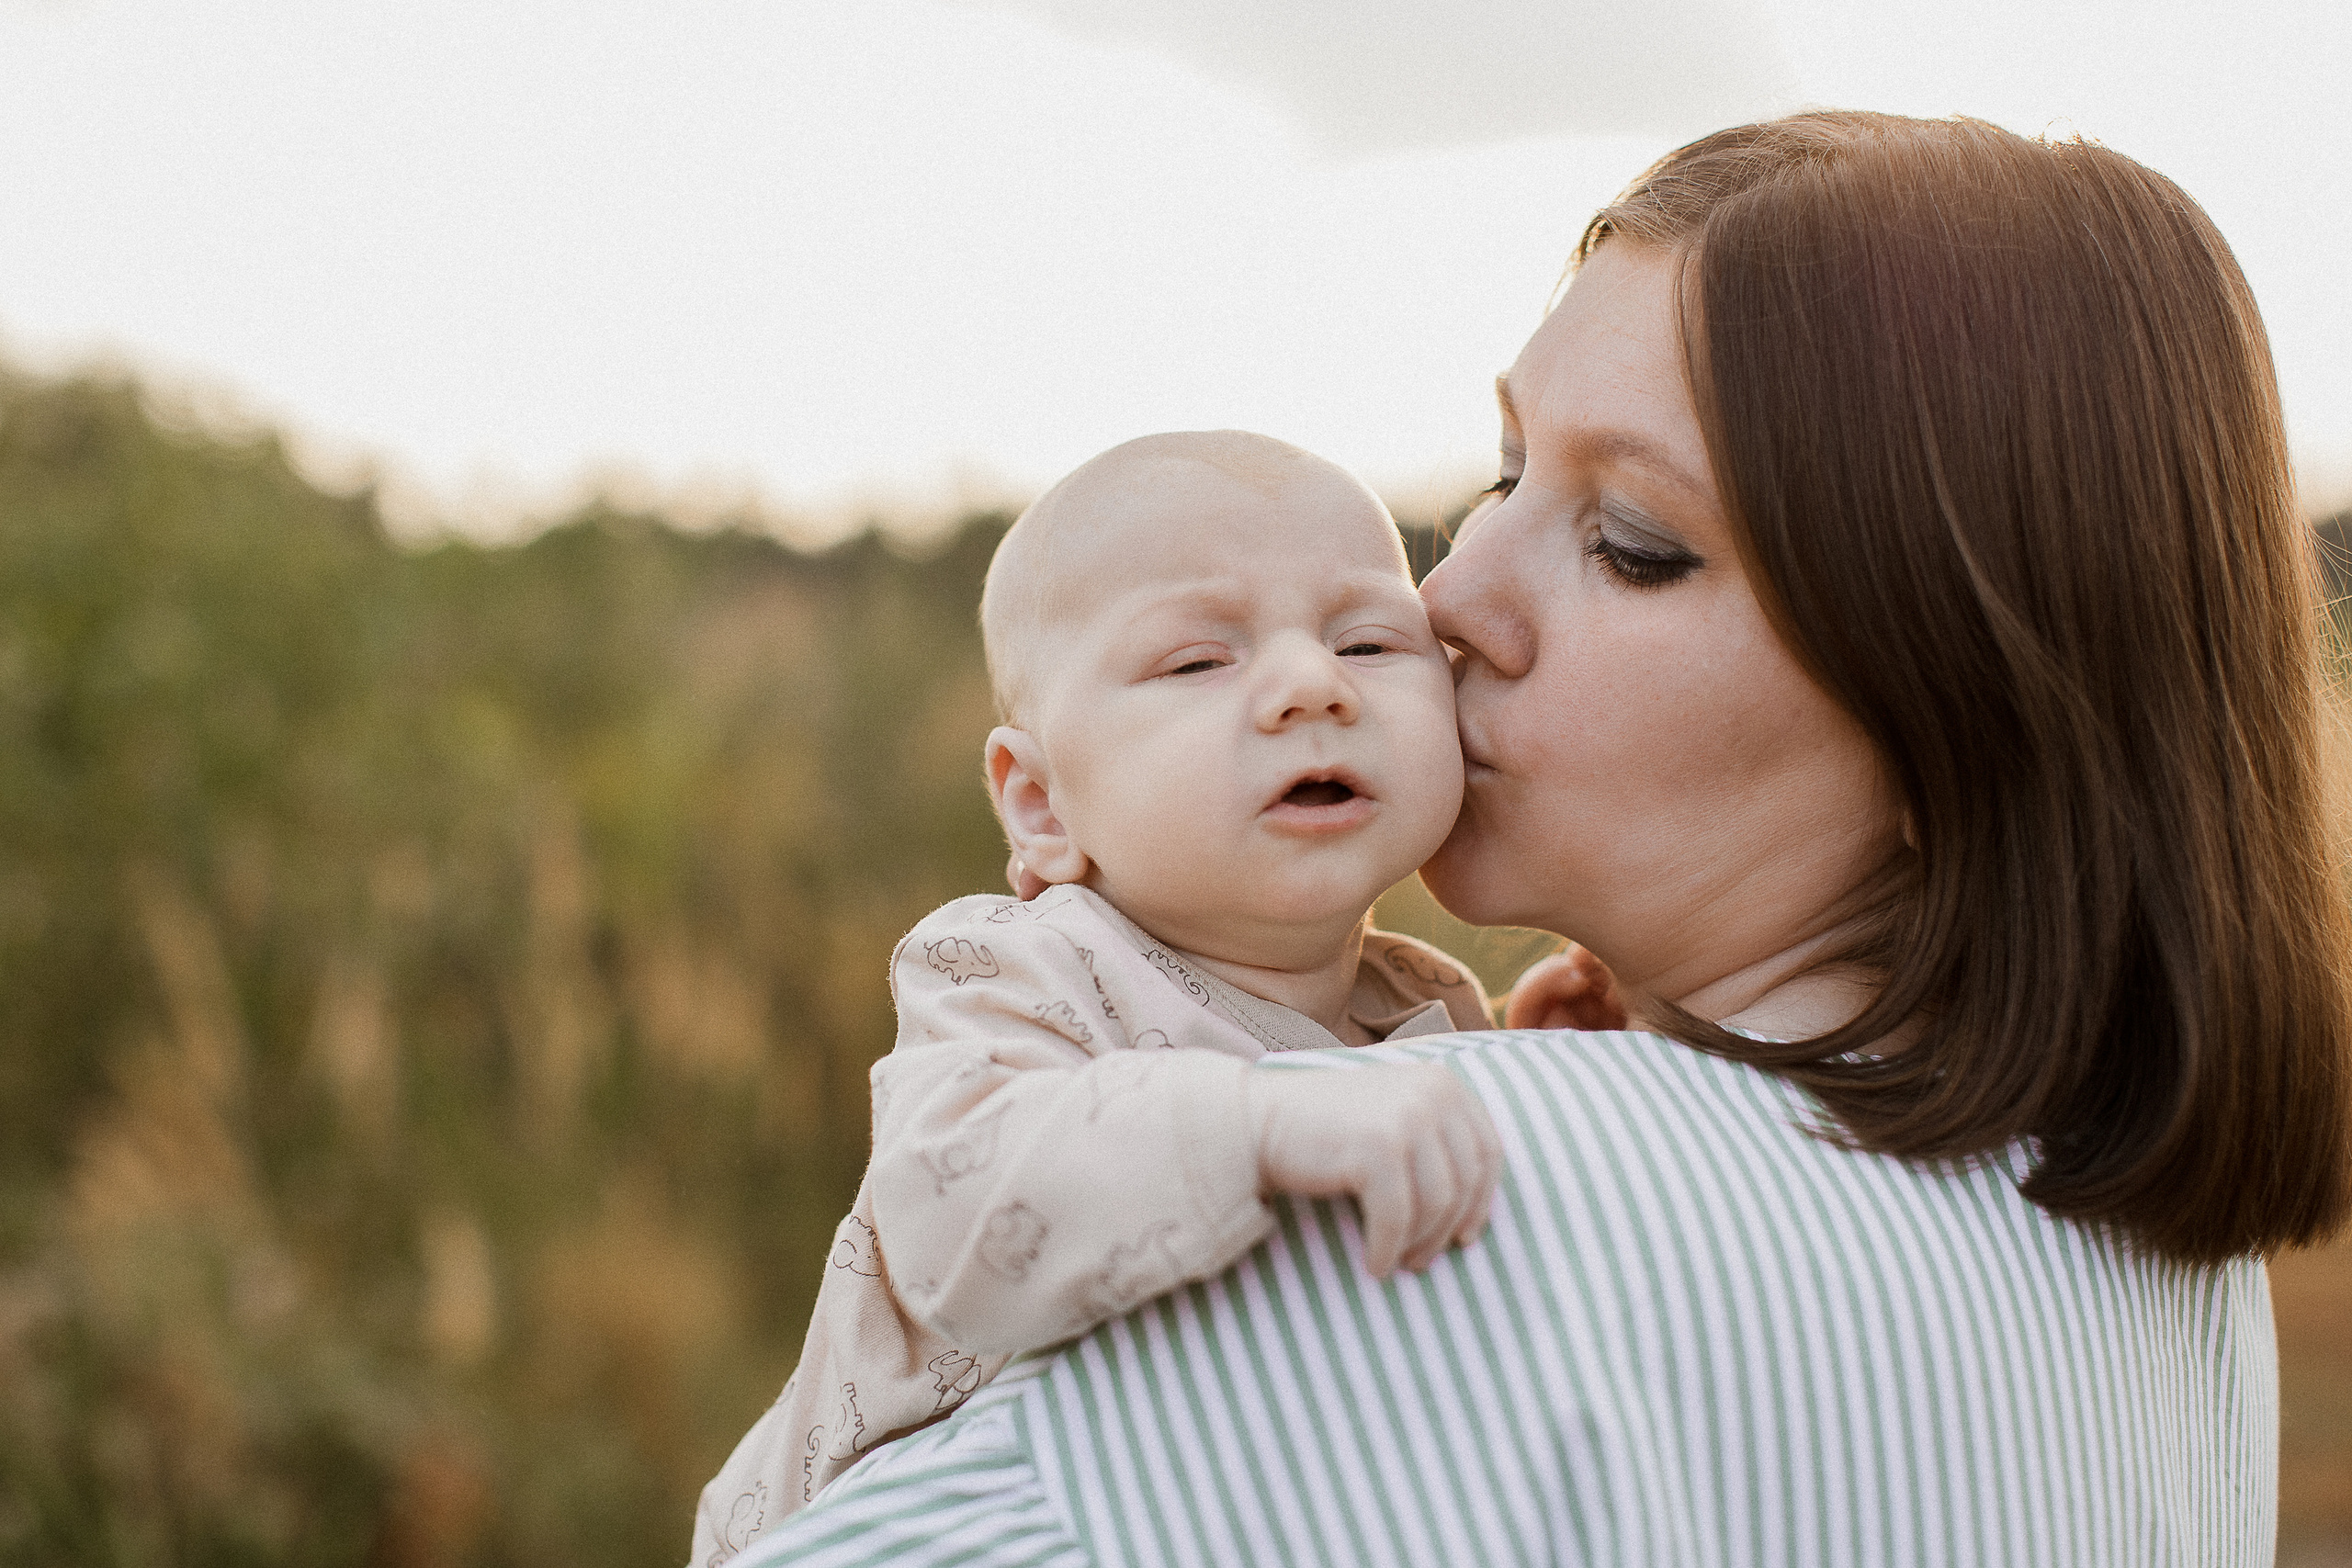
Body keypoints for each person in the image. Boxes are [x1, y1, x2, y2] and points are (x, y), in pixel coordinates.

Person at [724, 110, 2352, 1567]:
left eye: (1633, 545)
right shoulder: (2160, 1264)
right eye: (1505, 474)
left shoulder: (1438, 1195)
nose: (1446, 602)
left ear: (1968, 711)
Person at [694, 431, 1580, 1564]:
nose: (1311, 685)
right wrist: (1252, 1124)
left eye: (1368, 641)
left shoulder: (1420, 997)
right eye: (1197, 664)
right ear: (1042, 805)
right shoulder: (1017, 966)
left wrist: (1553, 1071)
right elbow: (949, 1206)